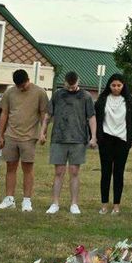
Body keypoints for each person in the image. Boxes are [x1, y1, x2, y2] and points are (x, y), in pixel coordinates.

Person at [0, 69, 48, 212]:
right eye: (19, 86)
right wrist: (0, 135)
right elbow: (4, 114)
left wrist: (43, 132)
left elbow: (44, 114)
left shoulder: (40, 92)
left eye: (23, 85)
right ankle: (9, 199)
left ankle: (27, 201)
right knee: (10, 167)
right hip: (11, 135)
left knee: (28, 168)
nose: (22, 88)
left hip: (29, 137)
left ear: (28, 79)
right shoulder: (9, 93)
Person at [47, 72, 97, 215]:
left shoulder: (86, 96)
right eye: (69, 86)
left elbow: (91, 117)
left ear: (78, 82)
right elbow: (48, 115)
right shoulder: (57, 94)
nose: (71, 89)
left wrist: (93, 137)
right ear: (65, 83)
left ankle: (74, 204)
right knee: (58, 172)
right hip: (58, 138)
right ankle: (55, 203)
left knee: (74, 172)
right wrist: (43, 131)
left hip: (78, 139)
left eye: (73, 86)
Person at [94, 74, 132, 214]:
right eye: (113, 85)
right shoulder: (102, 99)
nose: (116, 88)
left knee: (118, 173)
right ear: (109, 85)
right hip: (105, 139)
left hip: (123, 140)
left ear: (123, 85)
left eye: (119, 85)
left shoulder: (130, 101)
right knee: (105, 172)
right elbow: (96, 119)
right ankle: (104, 204)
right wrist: (95, 137)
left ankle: (116, 205)